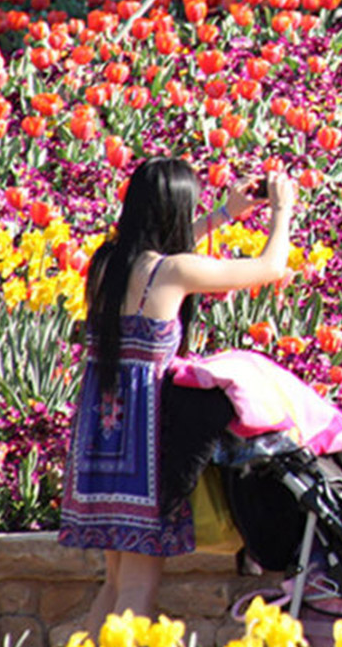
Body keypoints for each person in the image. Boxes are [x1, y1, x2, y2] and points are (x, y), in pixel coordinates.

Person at [58, 157, 296, 634]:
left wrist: (226, 214)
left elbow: (161, 245)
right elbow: (272, 267)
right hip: (144, 439)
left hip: (100, 436)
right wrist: (282, 212)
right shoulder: (173, 272)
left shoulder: (107, 263)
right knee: (138, 586)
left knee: (115, 580)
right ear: (175, 208)